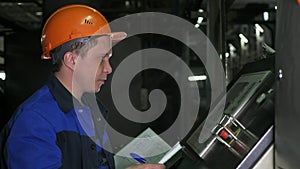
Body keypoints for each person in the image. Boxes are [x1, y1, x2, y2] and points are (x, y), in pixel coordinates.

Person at [1, 4, 165, 169]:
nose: (109, 68)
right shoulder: (34, 122)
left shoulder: (90, 111)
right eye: (101, 58)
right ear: (72, 60)